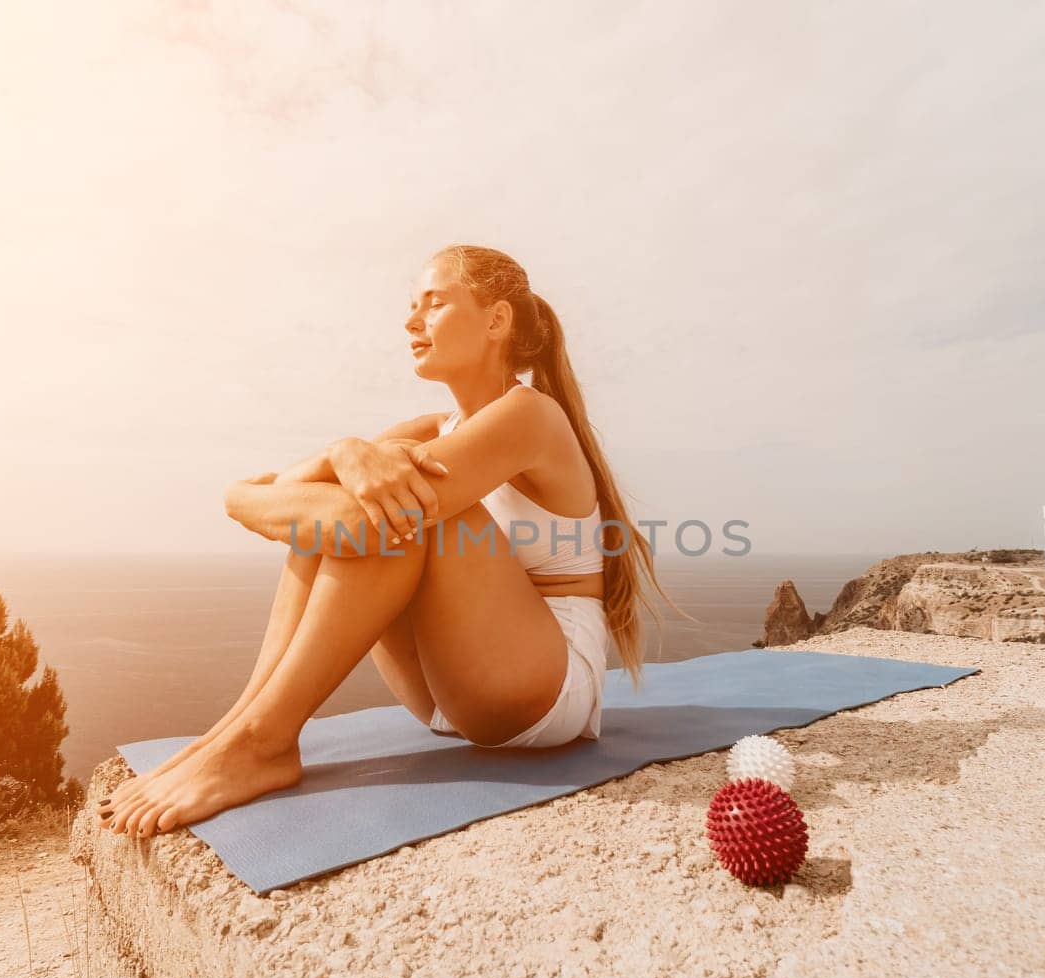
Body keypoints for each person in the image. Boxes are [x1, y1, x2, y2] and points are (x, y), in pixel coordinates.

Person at [98, 244, 680, 837]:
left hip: (545, 686)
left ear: (496, 321)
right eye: (411, 307)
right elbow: (304, 501)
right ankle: (242, 728)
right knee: (374, 497)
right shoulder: (427, 432)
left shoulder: (530, 416)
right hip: (446, 689)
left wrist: (248, 497)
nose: (411, 321)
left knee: (406, 506)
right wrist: (341, 451)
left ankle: (261, 741)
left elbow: (329, 513)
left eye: (434, 304)